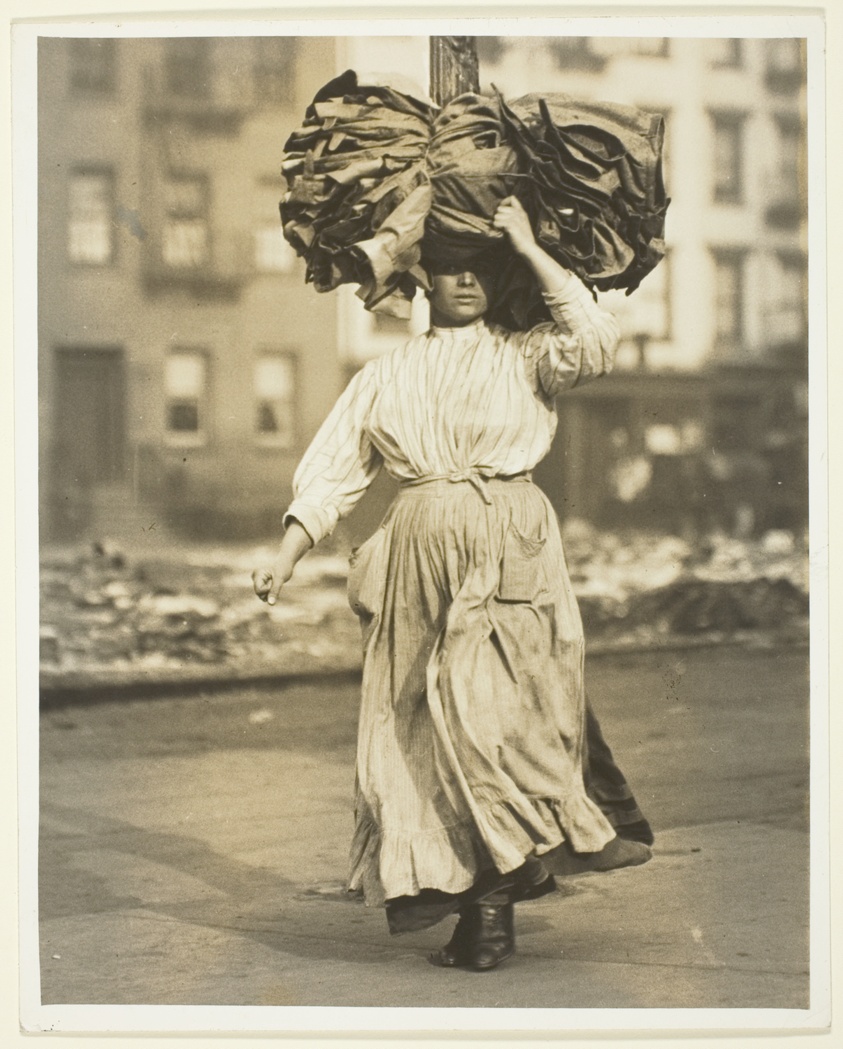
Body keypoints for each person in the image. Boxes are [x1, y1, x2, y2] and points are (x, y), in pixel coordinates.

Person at [253, 196, 651, 972]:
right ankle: (491, 905)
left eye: (478, 267)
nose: (463, 280)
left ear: (494, 277)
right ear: (421, 279)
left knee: (491, 722)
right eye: (446, 267)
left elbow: (596, 343)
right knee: (422, 735)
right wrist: (286, 552)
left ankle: (498, 901)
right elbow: (335, 469)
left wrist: (529, 243)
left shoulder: (525, 354)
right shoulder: (385, 375)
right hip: (416, 553)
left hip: (510, 549)